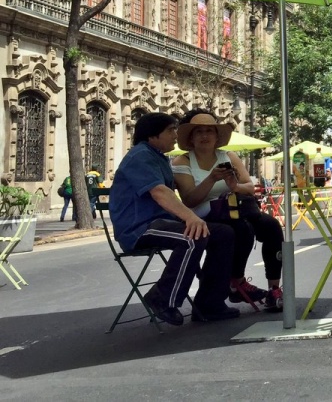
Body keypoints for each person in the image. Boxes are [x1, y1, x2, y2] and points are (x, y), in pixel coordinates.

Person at [110, 112, 237, 325]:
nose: (176, 135)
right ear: (152, 135)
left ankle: (210, 302)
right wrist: (190, 218)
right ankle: (162, 297)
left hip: (162, 223)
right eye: (170, 130)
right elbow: (160, 192)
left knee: (224, 233)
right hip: (139, 228)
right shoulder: (140, 156)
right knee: (192, 236)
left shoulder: (158, 157)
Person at [172, 110, 284, 312]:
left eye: (209, 131)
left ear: (217, 136)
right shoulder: (183, 162)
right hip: (205, 216)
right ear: (191, 137)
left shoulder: (229, 156)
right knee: (241, 228)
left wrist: (234, 186)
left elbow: (249, 187)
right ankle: (237, 281)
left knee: (272, 226)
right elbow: (189, 200)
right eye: (199, 132)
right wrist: (212, 179)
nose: (205, 136)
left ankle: (274, 287)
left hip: (237, 209)